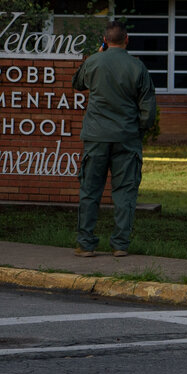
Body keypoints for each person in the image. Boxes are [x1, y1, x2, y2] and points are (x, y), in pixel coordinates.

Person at [72, 21, 158, 258]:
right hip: (127, 137)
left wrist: (96, 55)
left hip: (96, 136)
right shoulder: (137, 66)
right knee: (125, 191)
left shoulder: (93, 61)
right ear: (126, 39)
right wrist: (138, 130)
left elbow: (77, 84)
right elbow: (148, 107)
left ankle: (86, 244)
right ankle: (120, 244)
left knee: (90, 190)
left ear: (105, 39)